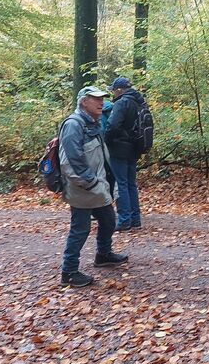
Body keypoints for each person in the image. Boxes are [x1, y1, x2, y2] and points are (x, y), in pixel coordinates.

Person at [60, 86, 128, 287]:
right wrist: (90, 182)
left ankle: (103, 254)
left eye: (102, 98)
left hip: (97, 187)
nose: (101, 102)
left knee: (108, 220)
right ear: (84, 102)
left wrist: (103, 183)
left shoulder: (92, 123)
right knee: (80, 229)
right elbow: (70, 161)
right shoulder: (73, 125)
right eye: (96, 99)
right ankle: (69, 272)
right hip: (83, 188)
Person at [105, 76, 148, 231]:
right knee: (131, 183)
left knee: (121, 183)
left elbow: (112, 125)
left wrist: (107, 140)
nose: (113, 94)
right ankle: (135, 219)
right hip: (134, 148)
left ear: (119, 90)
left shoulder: (122, 103)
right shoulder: (139, 102)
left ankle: (124, 220)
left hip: (119, 148)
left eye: (114, 91)